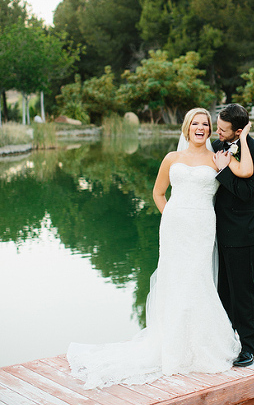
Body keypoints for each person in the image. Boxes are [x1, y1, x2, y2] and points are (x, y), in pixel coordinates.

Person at [67, 108, 240, 388]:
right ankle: (172, 344)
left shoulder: (217, 158)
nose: (200, 128)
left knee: (197, 281)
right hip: (174, 229)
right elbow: (158, 193)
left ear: (210, 130)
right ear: (186, 128)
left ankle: (200, 344)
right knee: (174, 281)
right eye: (195, 123)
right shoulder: (172, 158)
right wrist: (171, 217)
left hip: (202, 228)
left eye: (205, 124)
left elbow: (241, 178)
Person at [212, 103, 254, 368]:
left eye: (223, 130)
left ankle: (249, 348)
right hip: (218, 232)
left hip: (243, 235)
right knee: (222, 290)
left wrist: (223, 170)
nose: (218, 133)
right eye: (218, 127)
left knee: (242, 293)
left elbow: (246, 193)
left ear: (238, 131)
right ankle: (226, 340)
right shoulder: (217, 145)